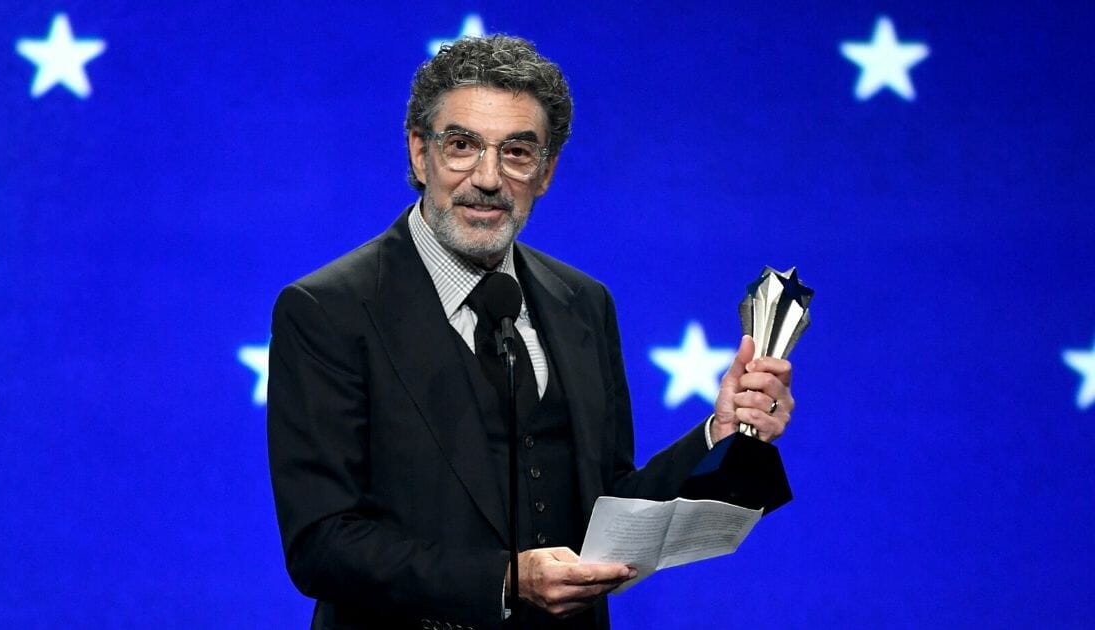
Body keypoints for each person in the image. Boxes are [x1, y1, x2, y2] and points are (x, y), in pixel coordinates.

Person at [267, 35, 794, 630]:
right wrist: (507, 582)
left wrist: (715, 436)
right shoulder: (327, 310)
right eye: (461, 145)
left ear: (546, 172)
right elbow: (322, 544)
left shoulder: (584, 302)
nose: (487, 178)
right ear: (419, 154)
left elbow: (610, 507)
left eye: (517, 152)